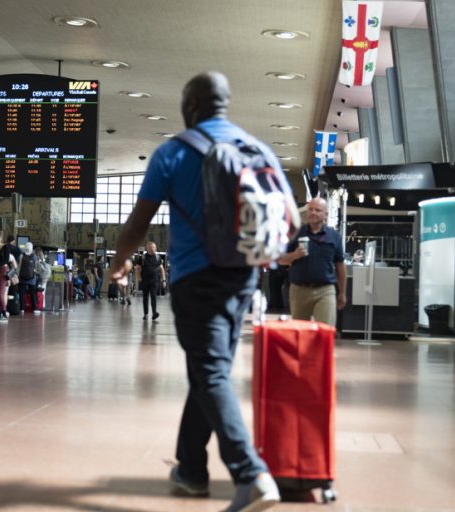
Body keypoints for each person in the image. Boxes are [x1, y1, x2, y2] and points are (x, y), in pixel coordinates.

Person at [111, 72, 280, 512]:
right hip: (243, 275)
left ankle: (251, 474)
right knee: (209, 368)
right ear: (225, 103)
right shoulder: (256, 147)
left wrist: (118, 261)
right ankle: (190, 468)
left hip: (196, 277)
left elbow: (138, 223)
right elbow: (285, 215)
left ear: (190, 107)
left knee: (210, 372)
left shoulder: (173, 152)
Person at [277, 197, 347, 326]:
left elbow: (340, 266)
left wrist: (342, 293)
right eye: (310, 210)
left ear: (326, 214)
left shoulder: (334, 236)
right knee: (300, 334)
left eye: (318, 210)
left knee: (325, 331)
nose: (313, 213)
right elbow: (280, 260)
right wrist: (295, 255)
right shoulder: (296, 233)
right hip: (299, 290)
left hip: (325, 291)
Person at [140, 242, 166, 321]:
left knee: (153, 296)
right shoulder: (143, 257)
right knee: (145, 297)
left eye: (154, 247)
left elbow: (161, 269)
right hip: (145, 281)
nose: (152, 249)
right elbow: (138, 268)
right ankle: (146, 314)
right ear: (147, 248)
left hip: (155, 281)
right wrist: (138, 278)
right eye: (150, 247)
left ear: (156, 248)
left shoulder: (158, 257)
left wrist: (164, 280)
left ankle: (154, 313)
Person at [18, 241, 40, 314]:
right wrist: (35, 273)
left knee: (22, 294)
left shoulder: (21, 256)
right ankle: (34, 308)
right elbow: (37, 267)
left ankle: (22, 309)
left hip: (22, 278)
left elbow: (19, 267)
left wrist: (18, 275)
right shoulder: (34, 256)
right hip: (32, 278)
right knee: (33, 293)